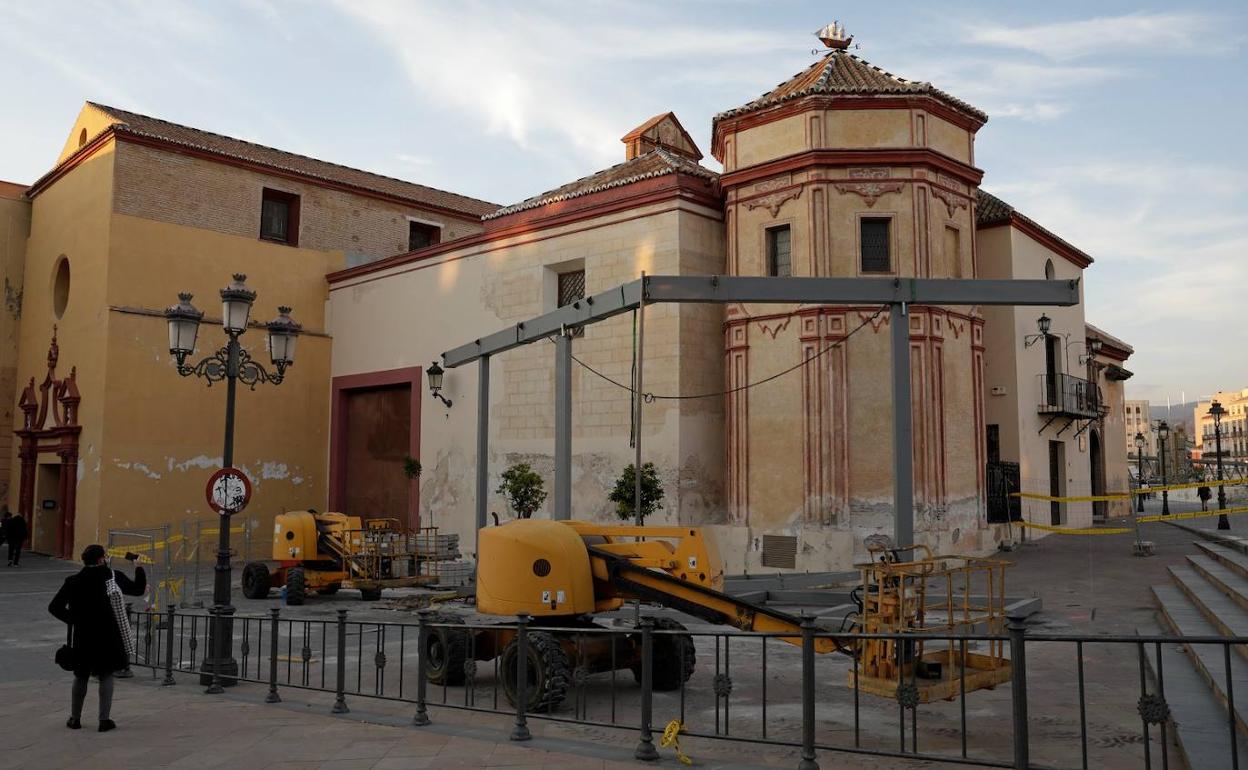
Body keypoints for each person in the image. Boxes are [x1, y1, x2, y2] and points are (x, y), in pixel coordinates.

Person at [47, 544, 137, 732]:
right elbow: (137, 589)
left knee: (80, 676)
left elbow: (54, 607)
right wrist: (139, 567)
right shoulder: (113, 576)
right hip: (107, 635)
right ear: (100, 559)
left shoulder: (73, 581)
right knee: (106, 675)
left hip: (83, 636)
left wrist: (73, 620)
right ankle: (104, 720)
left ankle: (75, 718)